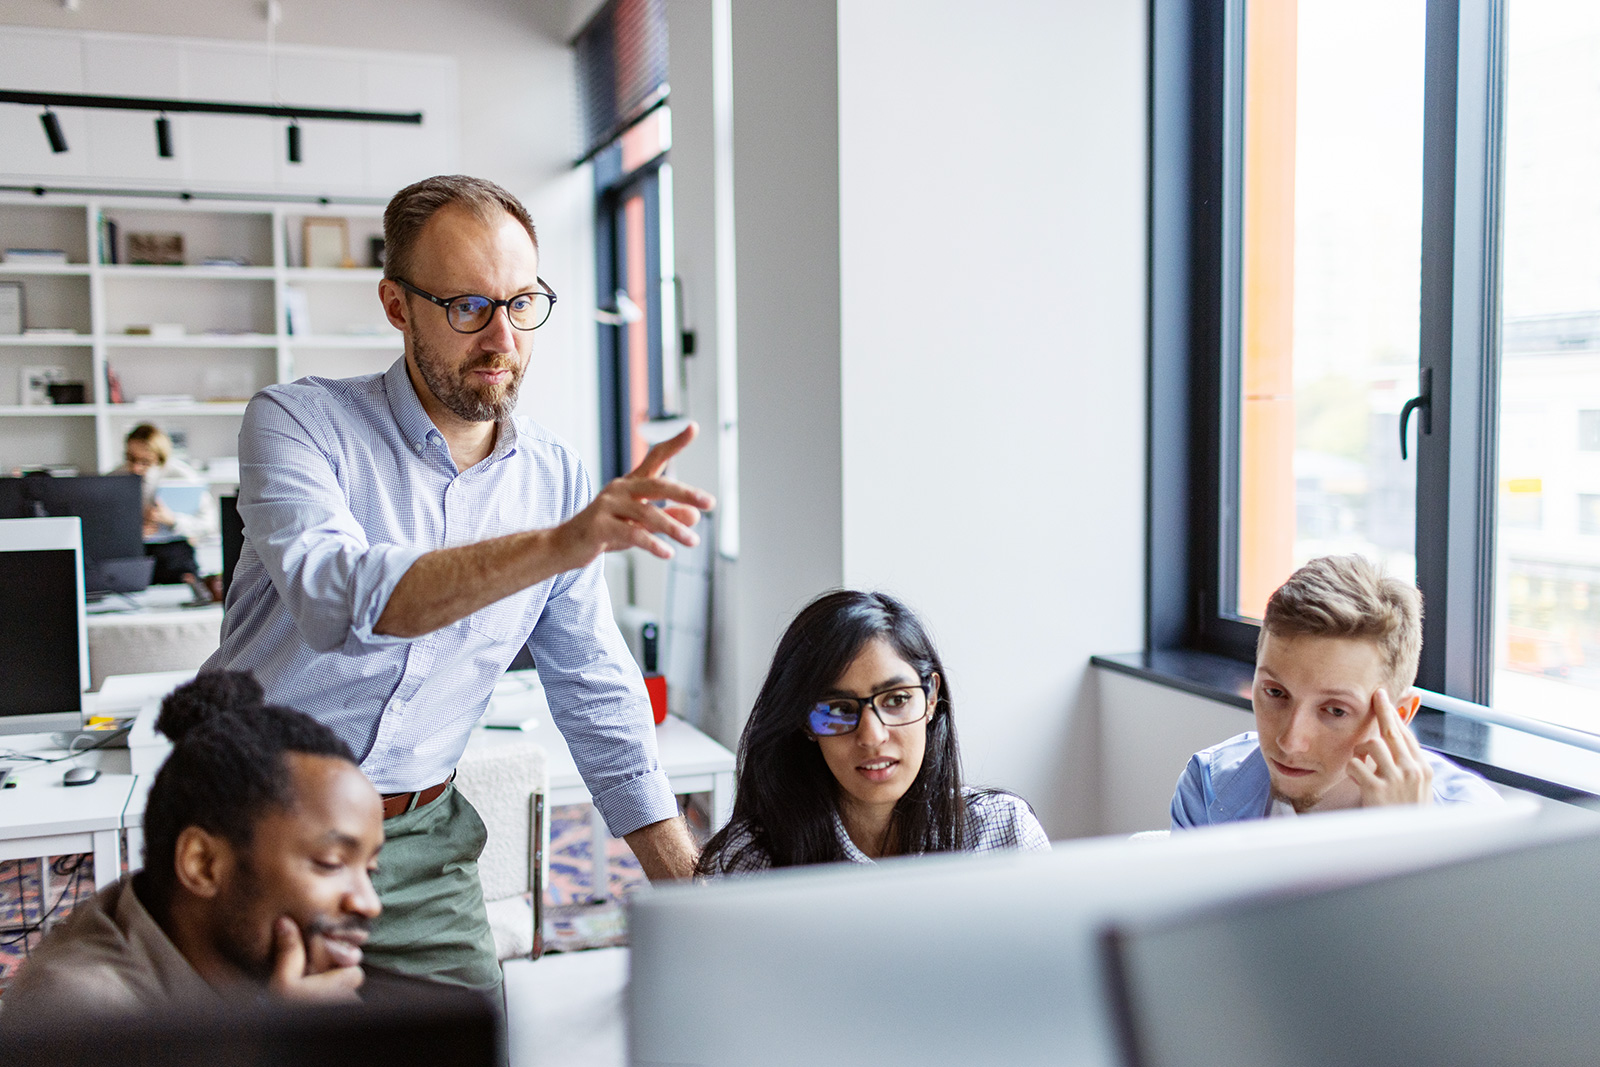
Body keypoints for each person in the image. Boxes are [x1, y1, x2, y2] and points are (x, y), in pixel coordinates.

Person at [202, 175, 714, 996]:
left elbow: (592, 682)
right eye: (467, 307)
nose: (502, 338)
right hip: (254, 828)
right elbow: (337, 598)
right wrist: (558, 543)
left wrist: (694, 893)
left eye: (521, 303)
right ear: (397, 306)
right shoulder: (296, 424)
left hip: (422, 843)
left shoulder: (553, 474)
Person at [1, 672, 385, 1022]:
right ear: (202, 864)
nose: (369, 903)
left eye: (369, 870)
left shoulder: (225, 950)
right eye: (331, 863)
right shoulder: (84, 1012)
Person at [696, 590, 1049, 875]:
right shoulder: (757, 861)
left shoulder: (1003, 832)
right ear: (804, 721)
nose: (872, 736)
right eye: (839, 708)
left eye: (896, 699)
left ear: (930, 699)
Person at [1171, 555, 1500, 828]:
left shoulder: (1476, 827)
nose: (1290, 741)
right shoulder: (1209, 786)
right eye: (1275, 693)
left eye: (1335, 711)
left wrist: (1408, 844)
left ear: (1399, 715)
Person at [113, 423, 221, 597]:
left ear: (161, 459)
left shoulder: (184, 477)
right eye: (131, 459)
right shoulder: (115, 477)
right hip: (133, 555)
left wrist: (172, 520)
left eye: (145, 462)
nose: (136, 468)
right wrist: (132, 531)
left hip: (175, 554)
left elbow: (209, 524)